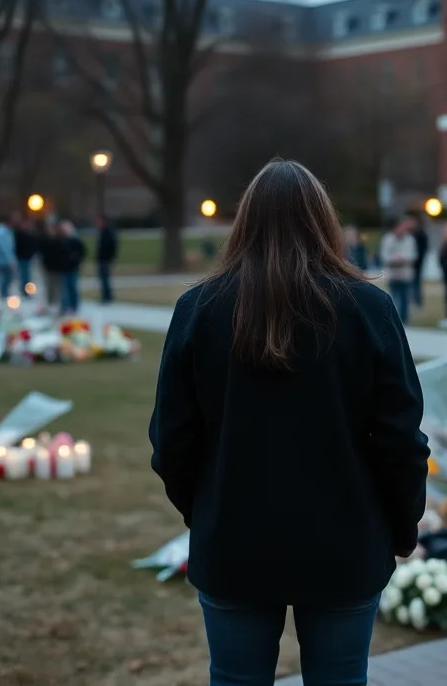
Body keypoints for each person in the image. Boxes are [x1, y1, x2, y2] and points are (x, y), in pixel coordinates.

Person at [149, 160, 428, 686]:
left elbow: (172, 442)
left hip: (237, 537)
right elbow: (401, 442)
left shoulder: (201, 309)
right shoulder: (367, 308)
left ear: (243, 223)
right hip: (343, 539)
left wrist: (207, 508)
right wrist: (400, 524)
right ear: (323, 221)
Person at [379, 218, 418, 325]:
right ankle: (395, 319)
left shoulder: (410, 240)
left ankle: (405, 319)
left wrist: (403, 258)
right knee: (394, 297)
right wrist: (394, 259)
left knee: (405, 298)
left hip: (405, 275)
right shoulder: (387, 239)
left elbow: (413, 256)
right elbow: (384, 256)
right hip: (393, 275)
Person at [58, 221, 87, 314]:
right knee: (64, 289)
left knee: (72, 287)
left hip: (73, 268)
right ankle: (65, 306)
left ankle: (74, 305)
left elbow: (82, 252)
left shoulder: (75, 241)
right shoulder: (61, 241)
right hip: (63, 268)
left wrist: (76, 260)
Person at [0, 215, 17, 299]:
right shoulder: (2, 232)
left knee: (4, 278)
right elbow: (5, 247)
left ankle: (4, 294)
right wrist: (10, 260)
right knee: (5, 278)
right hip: (4, 260)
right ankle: (4, 296)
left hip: (0, 259)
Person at [40, 222, 66, 311]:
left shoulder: (60, 240)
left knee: (58, 288)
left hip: (58, 268)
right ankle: (50, 304)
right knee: (49, 287)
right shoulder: (46, 241)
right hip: (49, 268)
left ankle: (59, 306)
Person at [96, 217, 118, 304]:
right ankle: (106, 296)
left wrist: (111, 257)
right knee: (103, 278)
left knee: (105, 278)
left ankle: (107, 297)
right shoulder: (103, 231)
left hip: (105, 259)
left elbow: (112, 245)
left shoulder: (107, 232)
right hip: (102, 258)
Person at [13, 215, 37, 296]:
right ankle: (24, 291)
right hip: (22, 257)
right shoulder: (19, 234)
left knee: (26, 275)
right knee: (24, 275)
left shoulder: (28, 234)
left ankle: (26, 290)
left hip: (27, 257)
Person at [409, 214, 429, 310]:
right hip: (411, 264)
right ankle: (413, 301)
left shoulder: (421, 235)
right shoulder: (411, 235)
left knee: (417, 283)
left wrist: (417, 259)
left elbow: (423, 249)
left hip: (418, 264)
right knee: (412, 283)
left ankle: (418, 301)